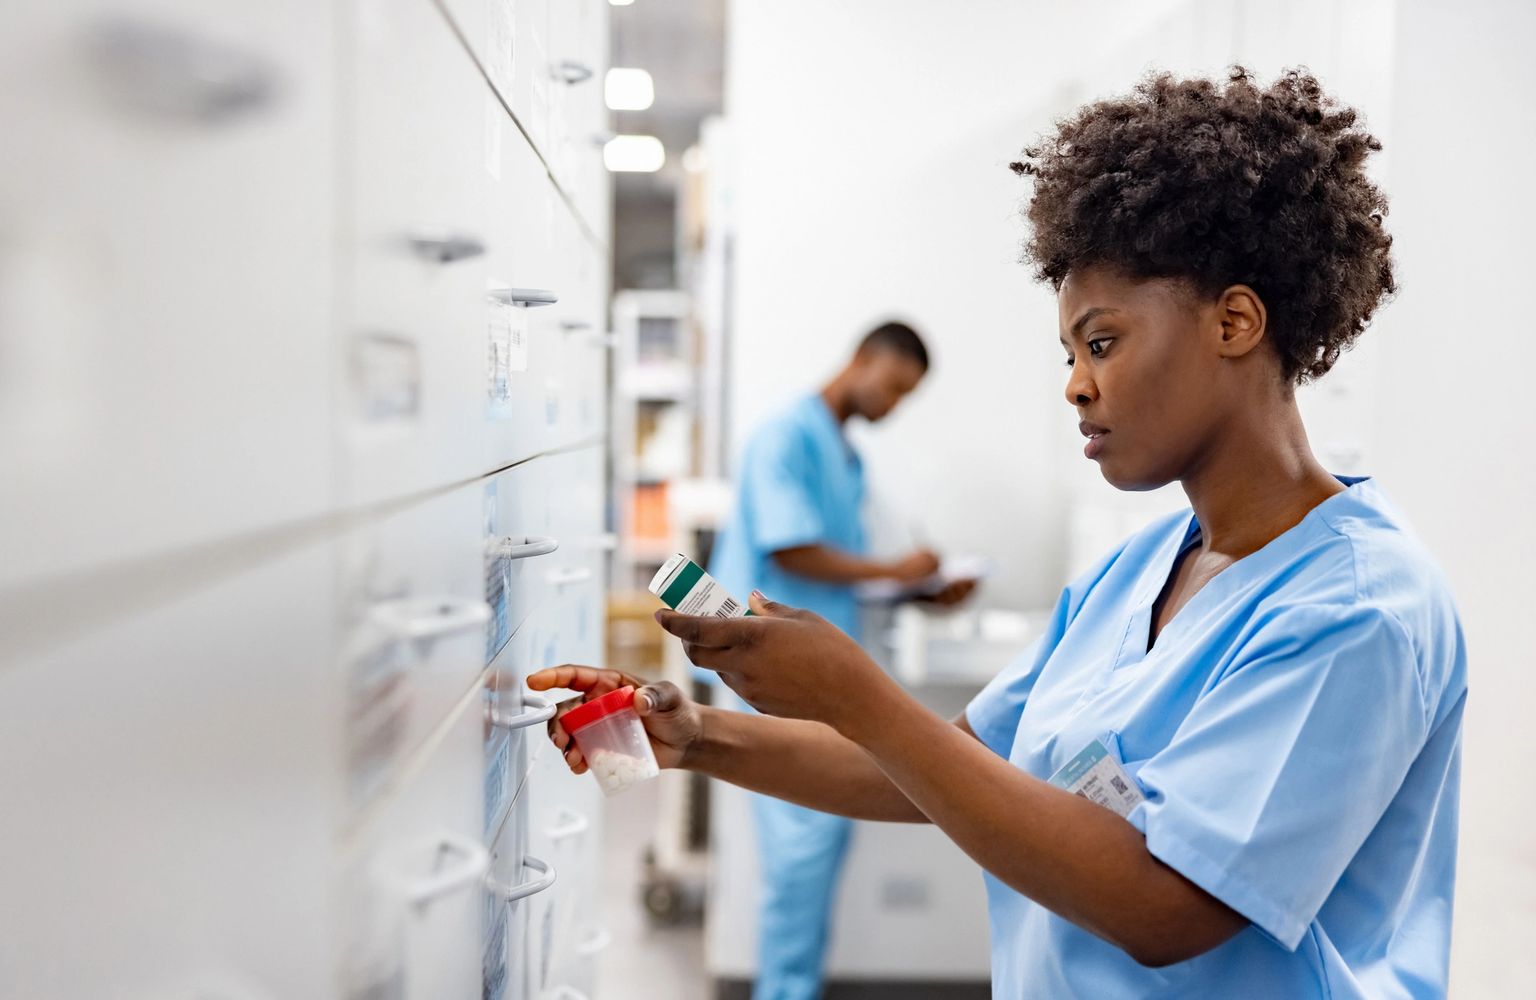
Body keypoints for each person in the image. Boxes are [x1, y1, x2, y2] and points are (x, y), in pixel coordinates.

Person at [533, 67, 1466, 998]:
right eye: (1070, 355)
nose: (1075, 384)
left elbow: (1164, 907)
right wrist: (695, 737)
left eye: (1101, 344)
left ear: (1234, 321)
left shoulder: (1356, 609)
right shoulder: (1141, 569)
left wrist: (857, 695)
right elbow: (946, 766)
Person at [702, 321, 974, 1000]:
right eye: (891, 388)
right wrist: (896, 566)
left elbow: (839, 580)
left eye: (905, 397)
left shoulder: (845, 457)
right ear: (860, 360)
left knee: (815, 851)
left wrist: (921, 592)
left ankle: (793, 987)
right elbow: (792, 551)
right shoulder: (785, 437)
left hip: (813, 677)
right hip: (767, 667)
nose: (892, 406)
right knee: (799, 854)